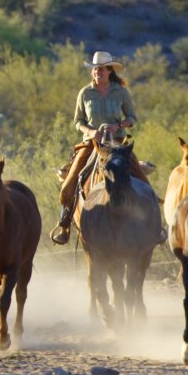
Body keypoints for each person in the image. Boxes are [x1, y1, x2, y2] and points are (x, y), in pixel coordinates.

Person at [50, 50, 137, 245]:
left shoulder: (121, 92)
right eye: (95, 69)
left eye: (102, 69)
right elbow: (78, 121)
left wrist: (119, 126)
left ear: (109, 71)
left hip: (118, 144)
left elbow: (132, 118)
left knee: (139, 175)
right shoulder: (85, 93)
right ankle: (64, 223)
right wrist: (91, 132)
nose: (98, 72)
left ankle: (153, 222)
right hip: (92, 144)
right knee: (71, 179)